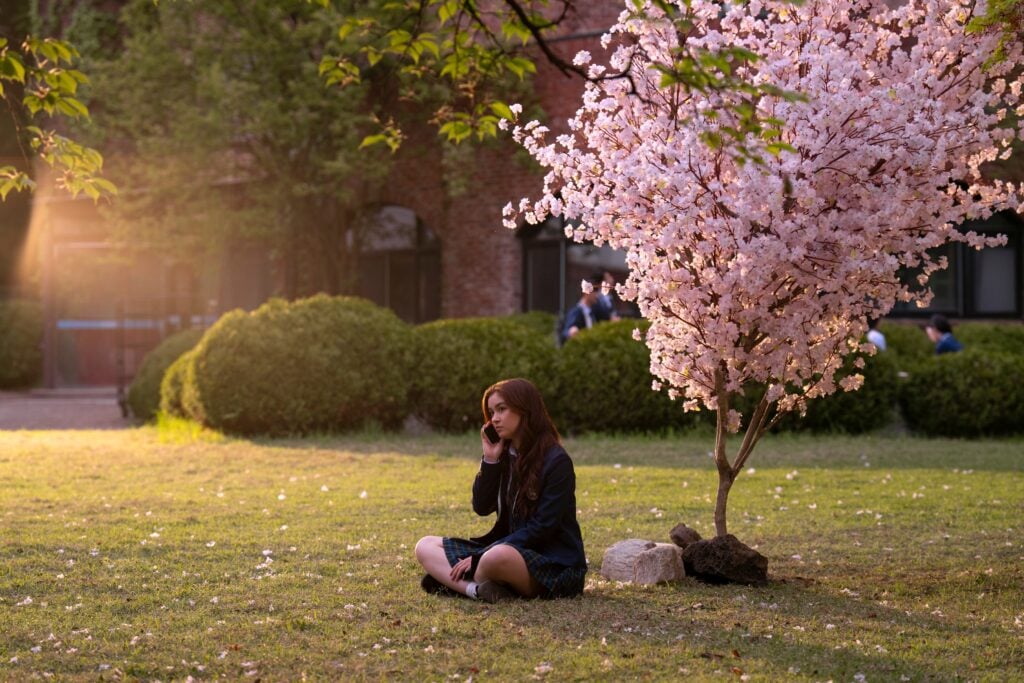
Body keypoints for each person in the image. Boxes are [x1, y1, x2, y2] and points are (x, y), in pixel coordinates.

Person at [414, 378, 587, 603]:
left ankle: (455, 581)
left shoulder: (557, 461)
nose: (494, 419)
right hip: (508, 547)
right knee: (425, 546)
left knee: (495, 557)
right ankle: (475, 590)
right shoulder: (503, 454)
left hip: (552, 561)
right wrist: (490, 460)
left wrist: (480, 556)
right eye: (491, 412)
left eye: (501, 409)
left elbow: (543, 528)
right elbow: (481, 507)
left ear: (525, 410)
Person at [560, 274, 604, 344]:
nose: (597, 294)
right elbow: (567, 331)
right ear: (586, 292)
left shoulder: (593, 312)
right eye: (595, 291)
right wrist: (571, 332)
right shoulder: (576, 312)